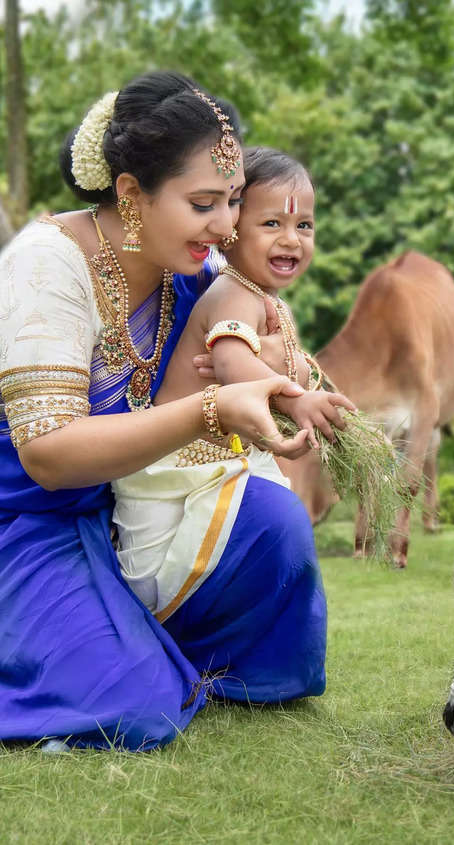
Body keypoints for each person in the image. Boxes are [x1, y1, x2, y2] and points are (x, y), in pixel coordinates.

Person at [0, 71, 344, 751]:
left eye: (235, 202)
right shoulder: (47, 267)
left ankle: (151, 647)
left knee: (275, 530)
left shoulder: (186, 272)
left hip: (122, 517)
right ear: (131, 193)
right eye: (204, 203)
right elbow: (45, 454)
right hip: (26, 523)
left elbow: (252, 342)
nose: (227, 226)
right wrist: (208, 409)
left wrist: (283, 373)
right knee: (132, 703)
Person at [112, 146, 351, 622]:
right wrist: (299, 400)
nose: (292, 239)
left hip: (219, 462)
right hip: (178, 470)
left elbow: (278, 367)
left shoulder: (265, 300)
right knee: (165, 575)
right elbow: (232, 365)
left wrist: (299, 378)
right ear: (231, 232)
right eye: (272, 225)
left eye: (304, 225)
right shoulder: (232, 292)